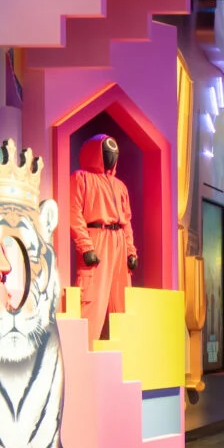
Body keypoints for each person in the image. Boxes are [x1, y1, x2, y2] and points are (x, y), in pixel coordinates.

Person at [68, 135, 136, 341]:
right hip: (96, 239)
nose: (111, 158)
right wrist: (86, 247)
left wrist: (131, 250)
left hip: (119, 243)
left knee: (123, 302)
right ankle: (83, 351)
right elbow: (73, 212)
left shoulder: (120, 187)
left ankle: (126, 354)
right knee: (91, 300)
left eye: (114, 155)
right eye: (107, 154)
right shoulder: (81, 178)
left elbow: (127, 221)